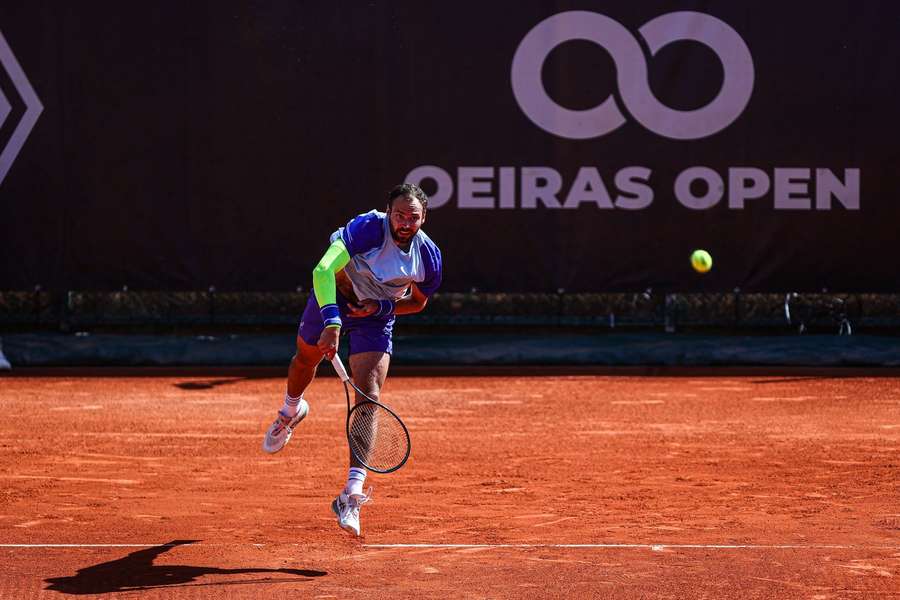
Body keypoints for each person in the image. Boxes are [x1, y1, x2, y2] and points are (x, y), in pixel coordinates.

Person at [262, 183, 442, 536]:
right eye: (399, 215)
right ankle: (290, 410)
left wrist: (381, 307)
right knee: (305, 360)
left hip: (376, 315)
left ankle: (351, 492)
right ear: (388, 212)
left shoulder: (429, 256)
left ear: (424, 219)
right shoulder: (369, 229)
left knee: (369, 396)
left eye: (413, 218)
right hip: (337, 295)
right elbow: (322, 271)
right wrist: (332, 321)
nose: (405, 223)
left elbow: (418, 302)